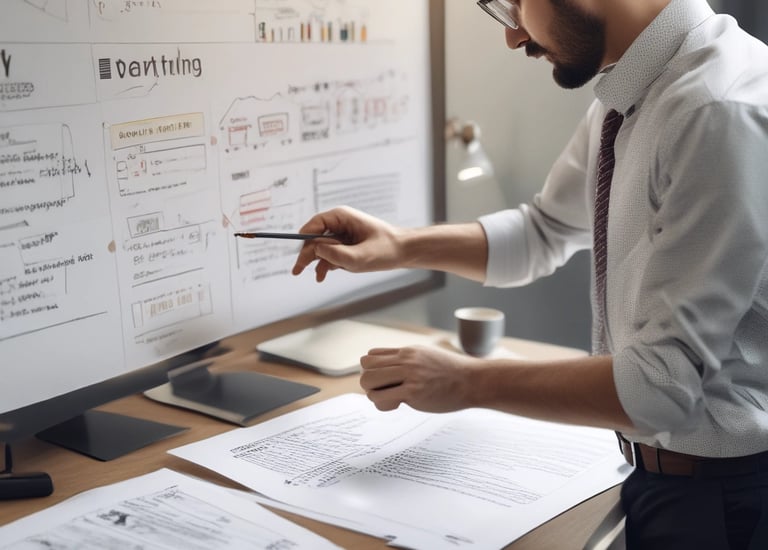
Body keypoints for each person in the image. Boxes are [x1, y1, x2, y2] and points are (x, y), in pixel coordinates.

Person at [292, 0, 768, 548]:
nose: (513, 35)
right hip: (660, 473)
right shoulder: (635, 88)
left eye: (515, 2)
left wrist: (464, 380)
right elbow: (543, 231)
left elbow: (660, 386)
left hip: (723, 502)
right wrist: (398, 245)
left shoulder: (714, 109)